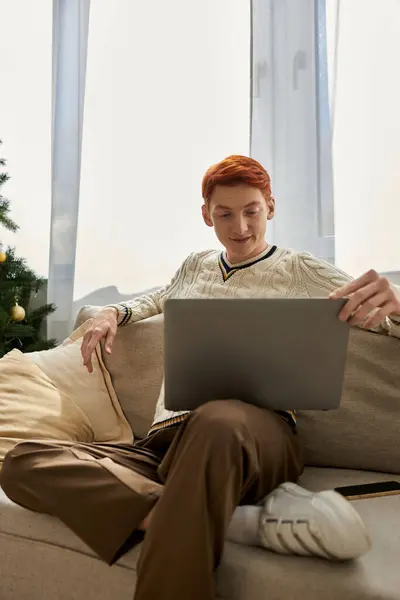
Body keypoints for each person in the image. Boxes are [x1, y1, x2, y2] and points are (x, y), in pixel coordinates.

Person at [1, 155, 399, 600]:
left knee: (218, 419)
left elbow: (381, 317)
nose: (241, 226)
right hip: (167, 443)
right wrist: (115, 311)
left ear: (271, 207)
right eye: (225, 213)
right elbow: (160, 297)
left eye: (251, 211)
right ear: (206, 214)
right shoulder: (196, 265)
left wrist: (395, 299)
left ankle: (189, 515)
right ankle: (231, 520)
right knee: (24, 461)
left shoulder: (301, 269)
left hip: (254, 438)